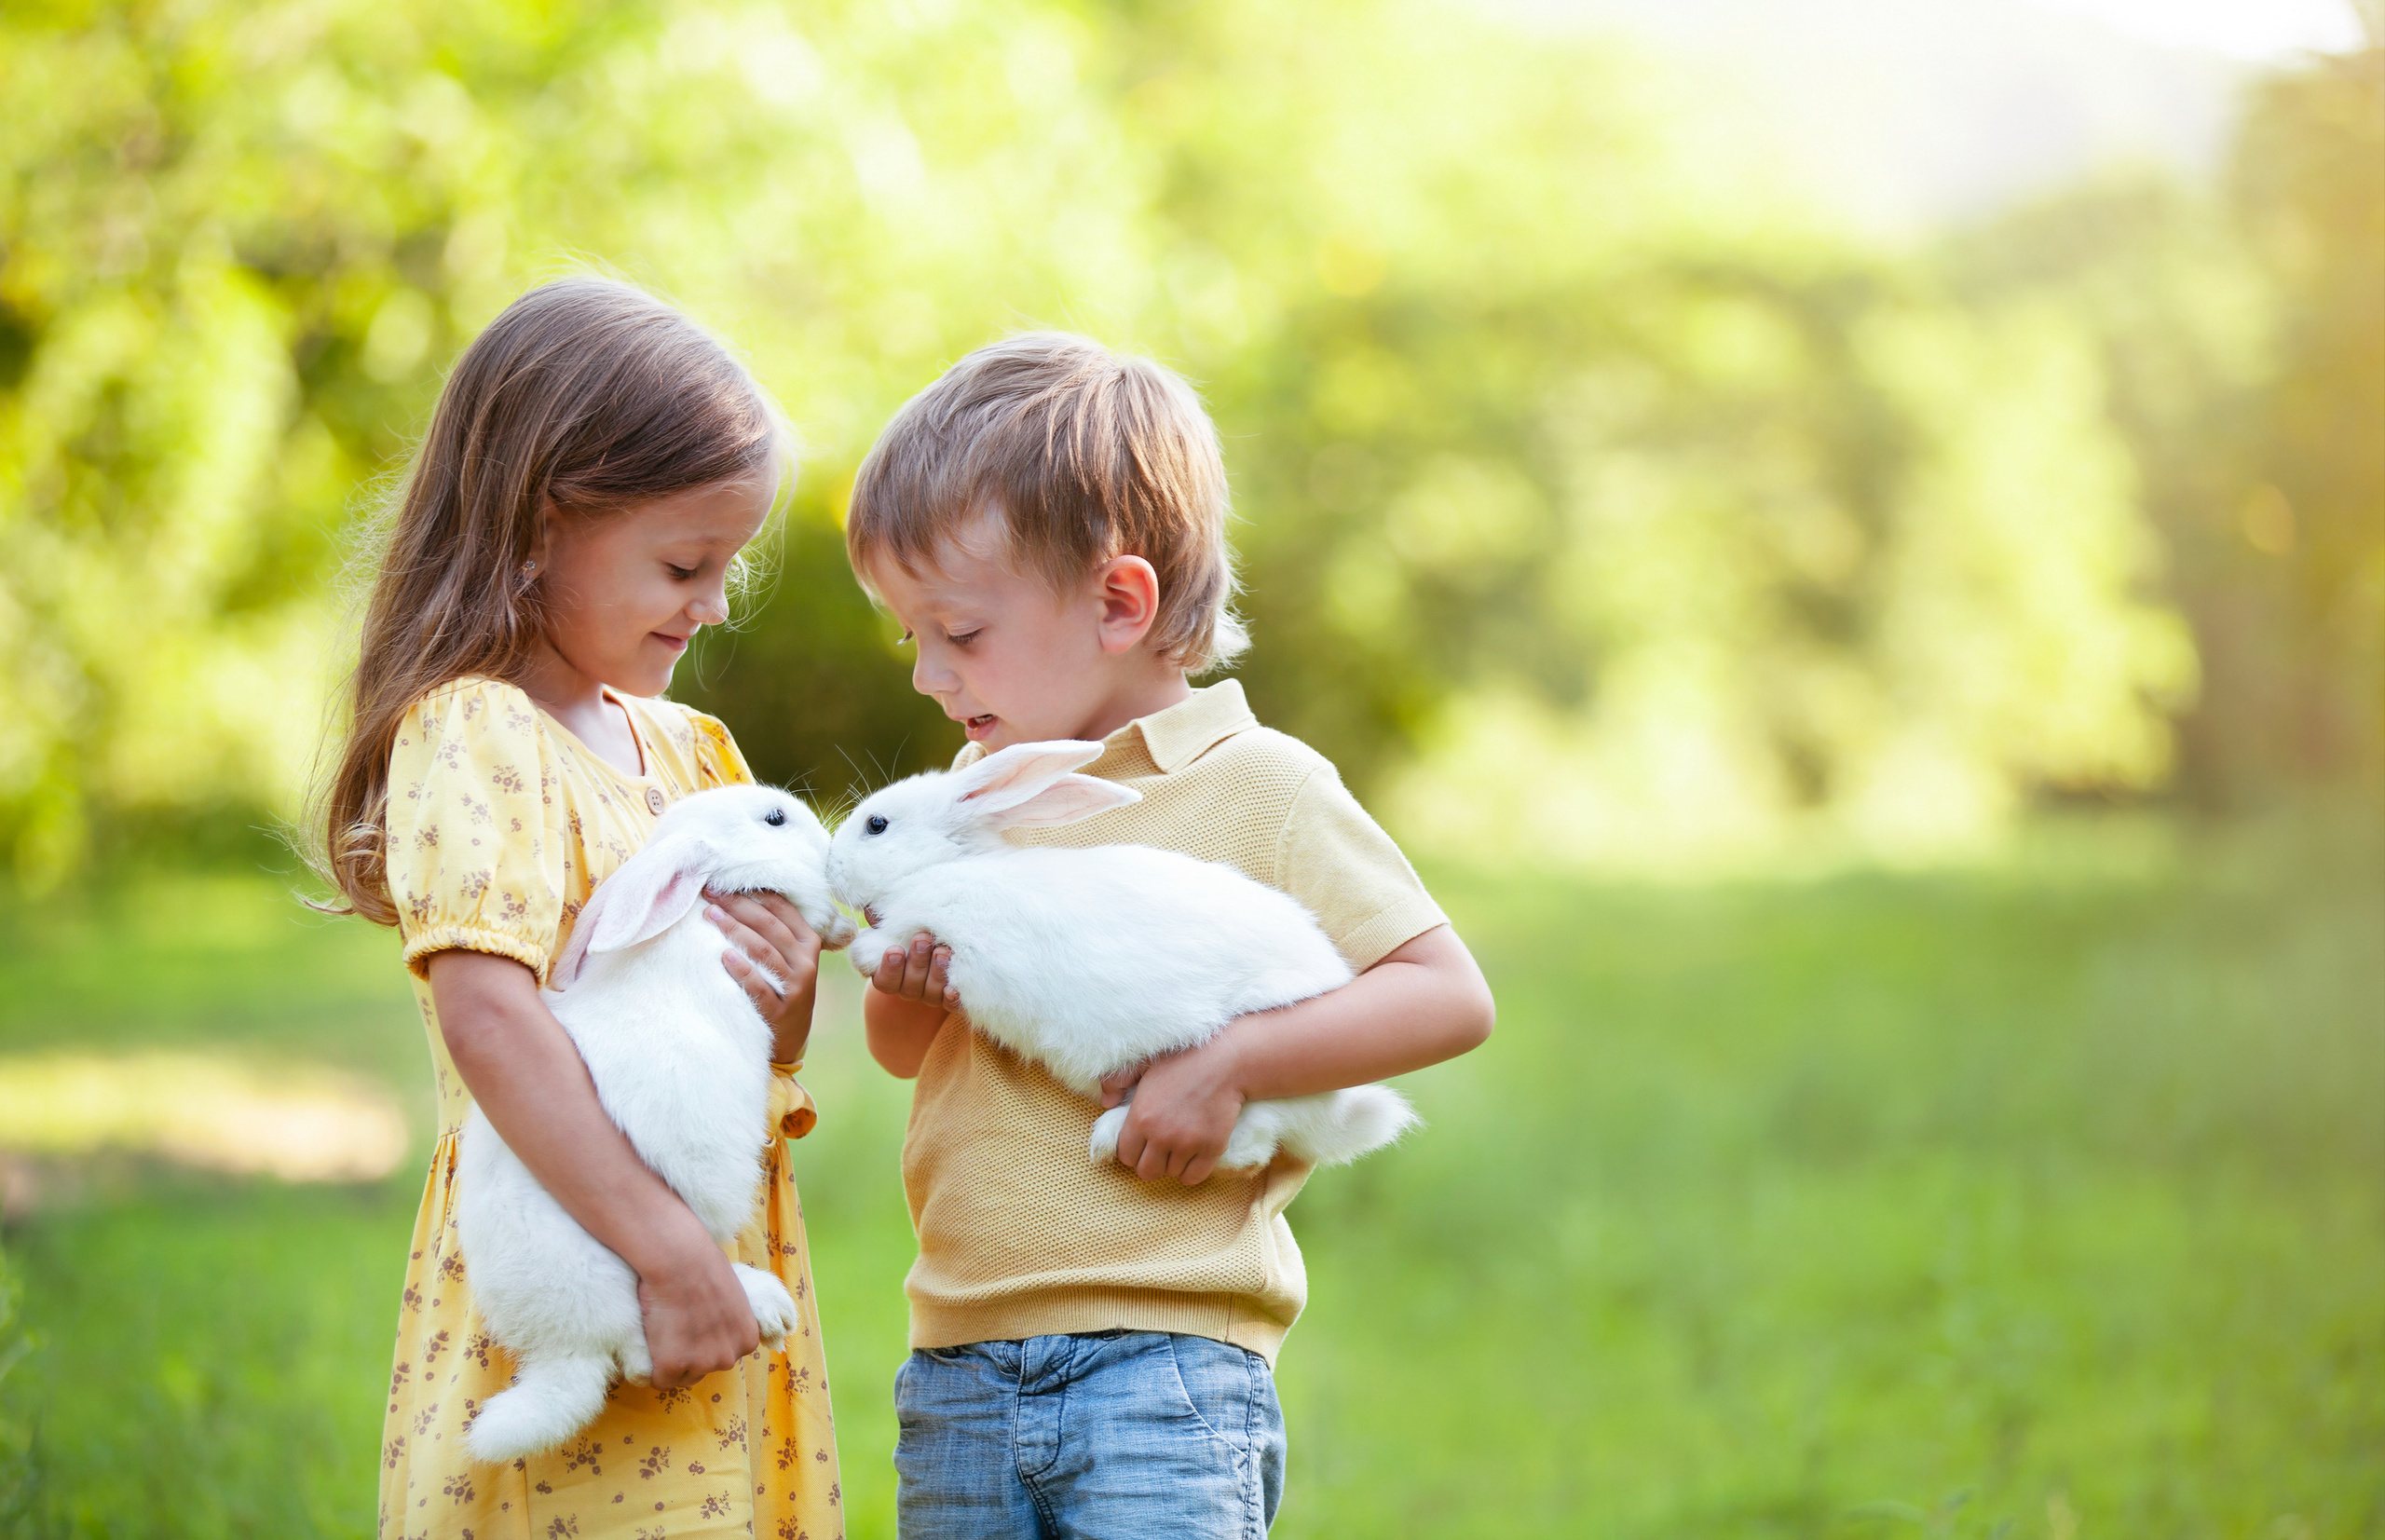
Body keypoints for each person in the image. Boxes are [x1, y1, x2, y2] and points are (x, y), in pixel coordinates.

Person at [848, 332, 1497, 1538]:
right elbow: (901, 1048)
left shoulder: (1262, 786)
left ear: (1118, 601)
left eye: (962, 632)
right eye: (912, 638)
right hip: (960, 1358)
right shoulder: (974, 796)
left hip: (1166, 1363)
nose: (933, 676)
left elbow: (1445, 994)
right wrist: (914, 974)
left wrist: (1231, 1064)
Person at [308, 278, 842, 1538]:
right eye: (682, 563)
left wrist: (792, 985)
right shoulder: (480, 733)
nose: (713, 603)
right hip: (591, 1255)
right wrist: (665, 1251)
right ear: (545, 519)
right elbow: (490, 1023)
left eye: (729, 565)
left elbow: (763, 1043)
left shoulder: (695, 752)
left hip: (711, 1269)